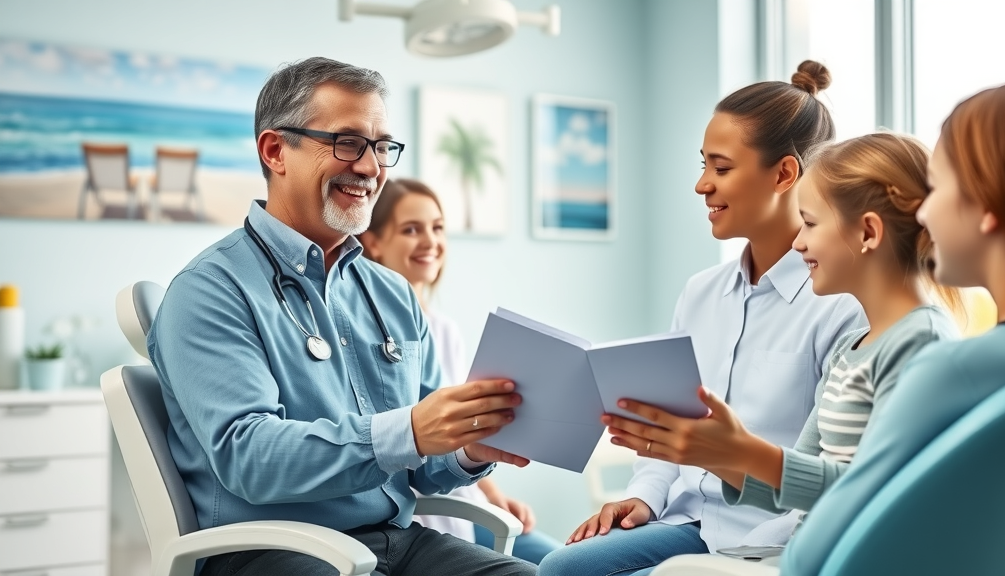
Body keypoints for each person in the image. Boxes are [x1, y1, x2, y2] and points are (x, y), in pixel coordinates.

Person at [148, 57, 537, 576]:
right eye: (348, 143)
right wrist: (411, 432)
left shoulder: (392, 293)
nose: (371, 167)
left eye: (381, 147)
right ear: (275, 151)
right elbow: (250, 459)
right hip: (269, 552)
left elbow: (423, 464)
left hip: (398, 544)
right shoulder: (210, 291)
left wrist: (468, 445)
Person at [537, 61, 867, 576]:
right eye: (703, 165)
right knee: (561, 568)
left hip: (769, 541)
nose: (701, 185)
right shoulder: (701, 293)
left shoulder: (841, 304)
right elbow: (671, 430)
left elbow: (827, 473)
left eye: (721, 167)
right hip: (687, 522)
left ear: (784, 174)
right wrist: (644, 499)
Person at [602, 132, 962, 533]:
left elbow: (881, 494)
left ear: (868, 234)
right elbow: (794, 484)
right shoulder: (851, 347)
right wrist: (716, 451)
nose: (798, 241)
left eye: (809, 223)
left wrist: (745, 451)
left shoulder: (920, 343)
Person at [778, 80, 1005, 576]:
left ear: (987, 204)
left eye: (938, 187)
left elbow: (811, 558)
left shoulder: (952, 368)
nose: (925, 211)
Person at [357, 177, 562, 564]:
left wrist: (494, 495)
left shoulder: (445, 330)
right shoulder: (365, 335)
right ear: (374, 242)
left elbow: (459, 434)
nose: (430, 241)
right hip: (424, 510)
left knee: (563, 560)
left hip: (465, 494)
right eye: (411, 229)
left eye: (437, 228)